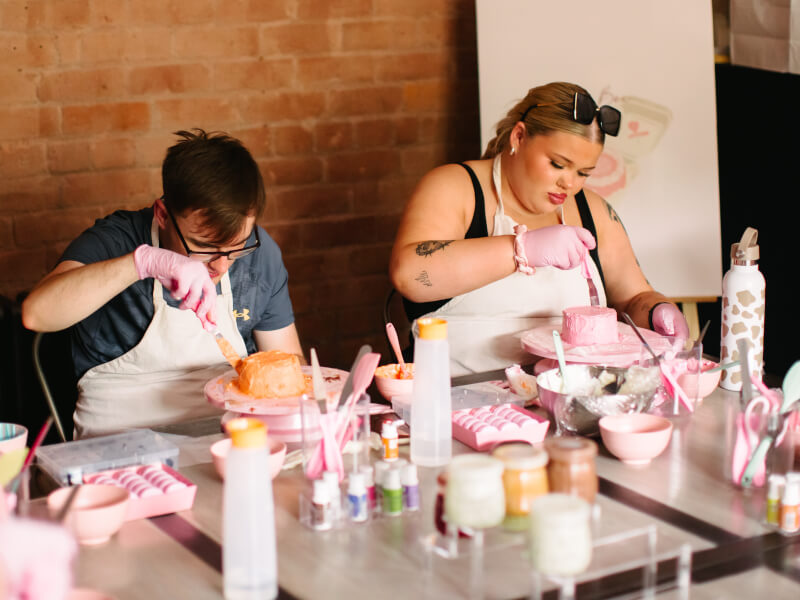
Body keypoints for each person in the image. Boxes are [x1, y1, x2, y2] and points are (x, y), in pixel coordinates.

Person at [389, 82, 689, 376]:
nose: (569, 183)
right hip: (454, 398)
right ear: (519, 137)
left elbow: (634, 297)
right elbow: (410, 275)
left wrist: (655, 310)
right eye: (558, 164)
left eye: (584, 172)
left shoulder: (593, 210)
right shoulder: (454, 187)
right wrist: (521, 250)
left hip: (563, 397)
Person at [22, 129, 303, 437]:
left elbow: (290, 366)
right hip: (118, 439)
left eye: (236, 248)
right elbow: (36, 314)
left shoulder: (261, 257)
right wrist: (141, 263)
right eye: (204, 246)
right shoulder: (116, 240)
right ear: (163, 215)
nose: (221, 265)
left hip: (225, 435)